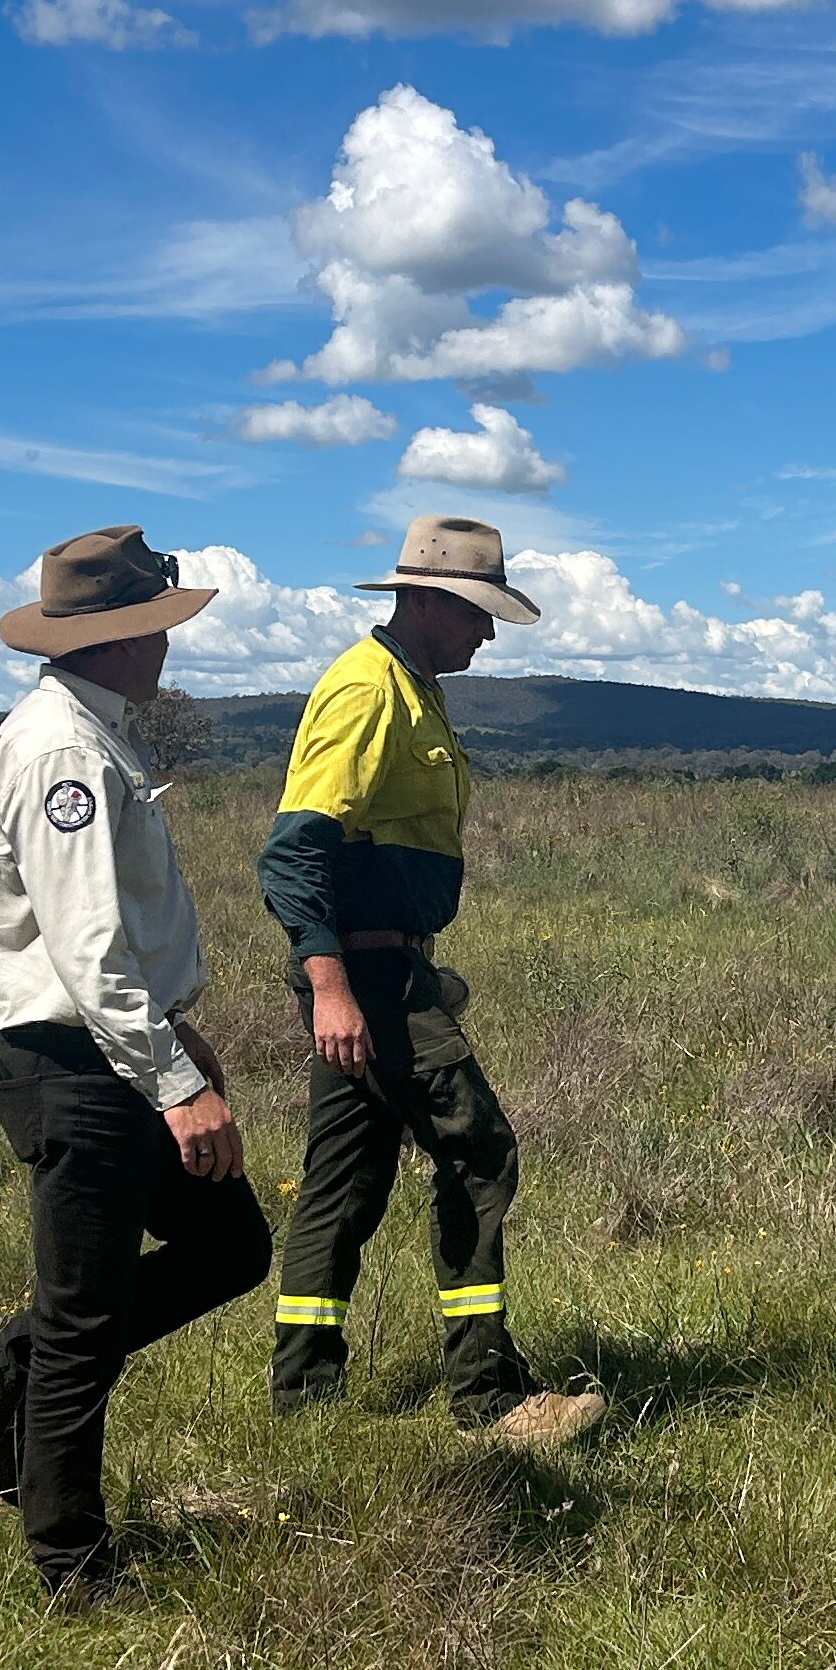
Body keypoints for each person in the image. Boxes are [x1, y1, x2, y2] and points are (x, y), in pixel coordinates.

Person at [0, 524, 273, 1597]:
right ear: (121, 638)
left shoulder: (91, 728)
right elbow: (83, 946)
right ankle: (72, 1569)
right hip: (82, 1067)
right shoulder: (63, 748)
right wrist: (174, 1086)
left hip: (117, 1048)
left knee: (231, 1247)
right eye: (156, 625)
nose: (168, 644)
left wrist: (181, 1035)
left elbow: (113, 932)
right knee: (83, 1321)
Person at [258, 515, 601, 1445]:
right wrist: (336, 986)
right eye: (476, 614)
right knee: (481, 1152)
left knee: (342, 1180)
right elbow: (294, 856)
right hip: (365, 977)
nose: (485, 634)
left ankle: (302, 1399)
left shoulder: (411, 688)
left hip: (384, 963)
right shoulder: (370, 692)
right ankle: (490, 1400)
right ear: (425, 600)